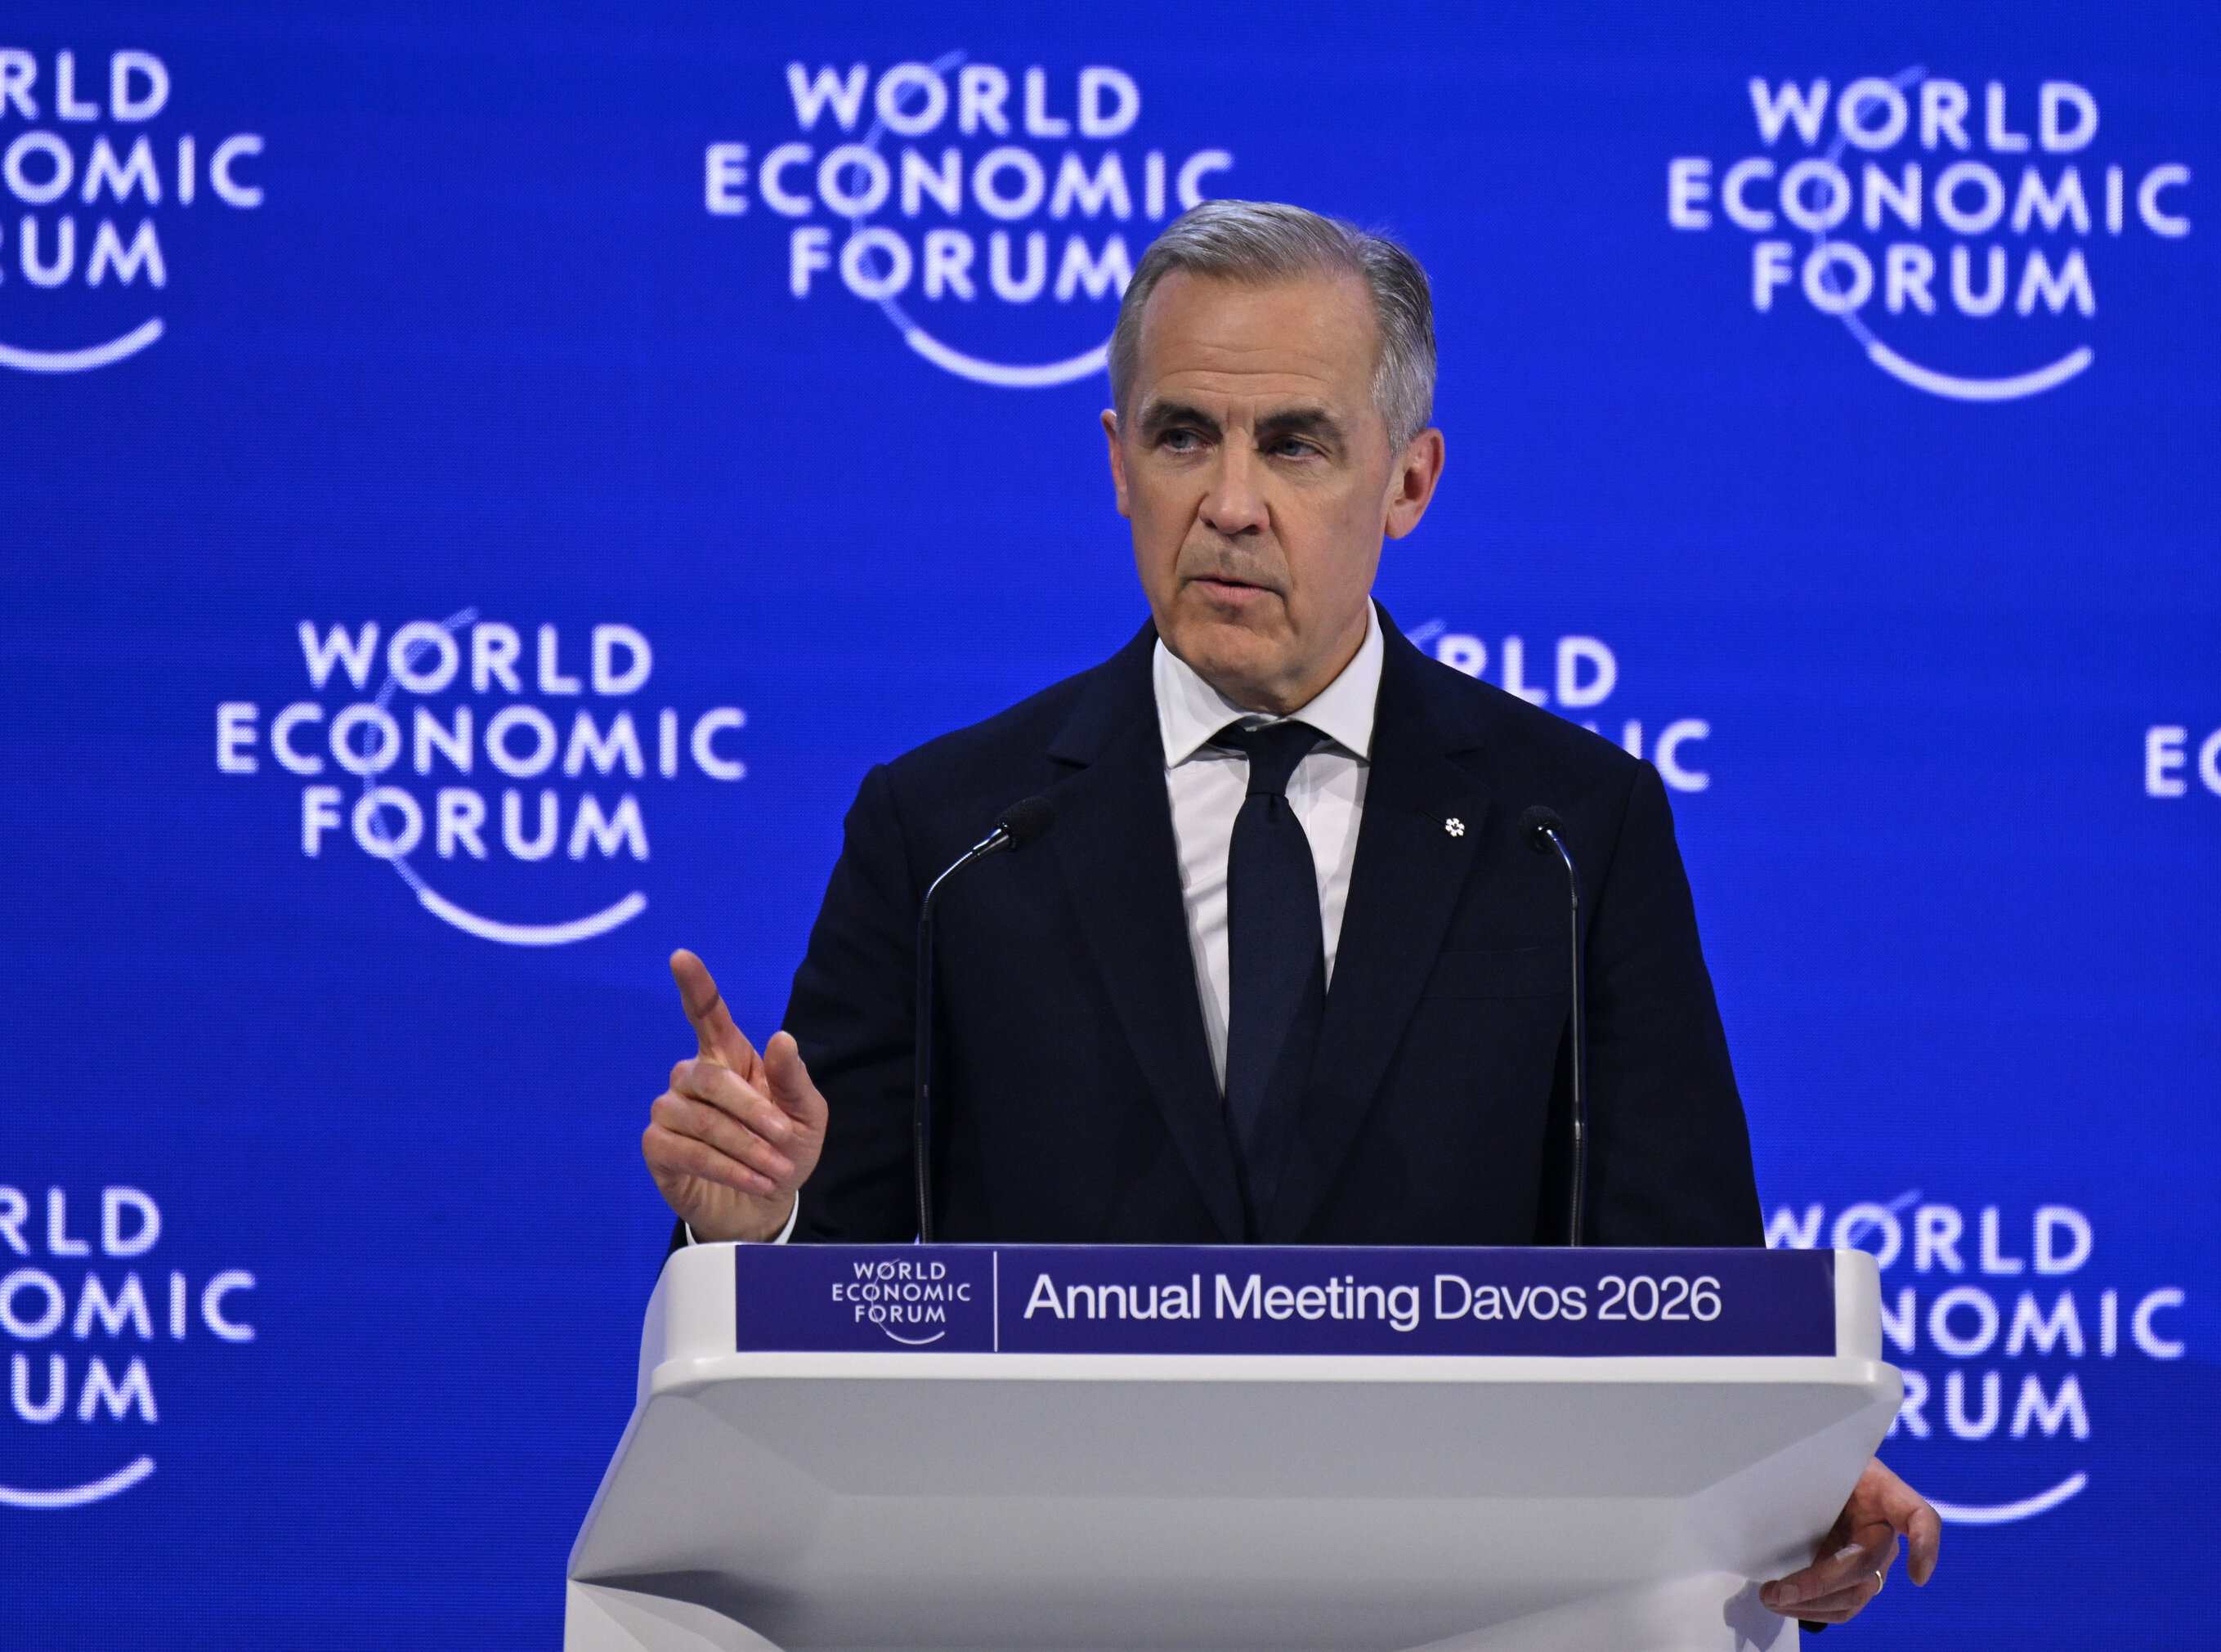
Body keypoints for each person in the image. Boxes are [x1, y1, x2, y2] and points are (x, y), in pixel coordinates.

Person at [638, 199, 1938, 1629]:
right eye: (1182, 434)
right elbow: (836, 1329)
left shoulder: (1572, 833)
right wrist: (754, 1234)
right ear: (1117, 465)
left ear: (1410, 480)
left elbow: (1694, 1292)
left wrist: (1786, 1480)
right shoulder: (949, 837)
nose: (1231, 502)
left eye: (1295, 443)